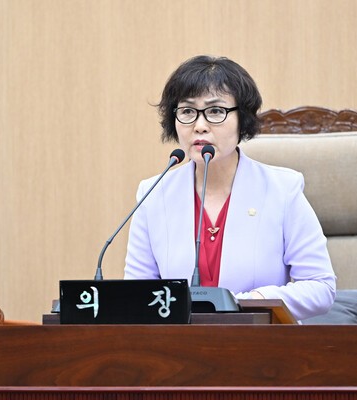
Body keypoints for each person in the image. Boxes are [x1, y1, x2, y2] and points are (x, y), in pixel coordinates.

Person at [123, 55, 336, 321]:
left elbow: (320, 287)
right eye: (187, 111)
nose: (200, 126)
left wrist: (247, 303)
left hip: (258, 338)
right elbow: (137, 294)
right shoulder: (153, 194)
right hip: (178, 342)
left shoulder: (282, 190)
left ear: (242, 119)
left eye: (215, 111)